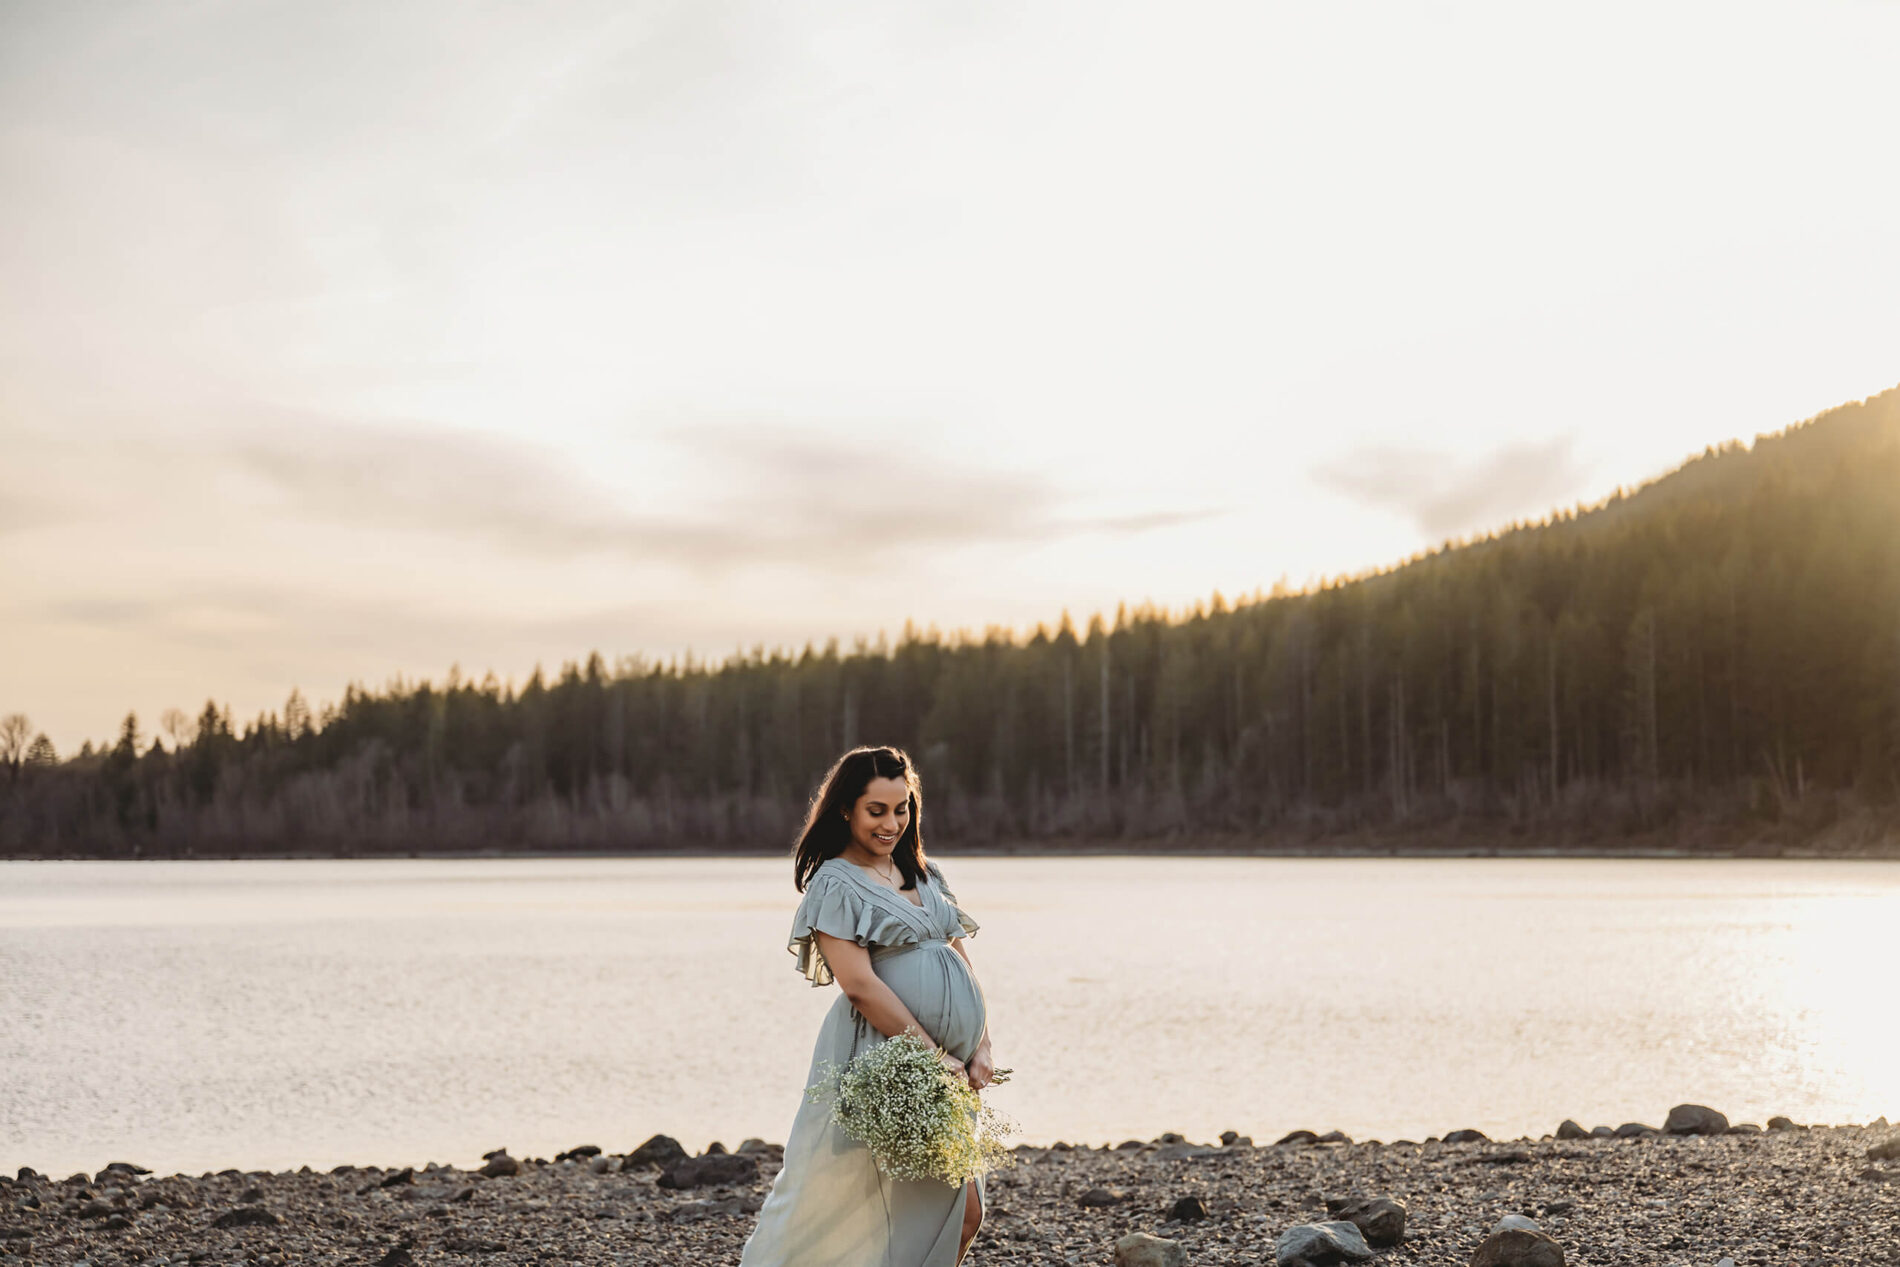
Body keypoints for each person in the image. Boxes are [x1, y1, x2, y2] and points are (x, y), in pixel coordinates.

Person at [737, 744, 996, 1267]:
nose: (892, 822)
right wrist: (932, 1056)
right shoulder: (833, 883)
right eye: (877, 810)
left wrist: (982, 1042)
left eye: (902, 808)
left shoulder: (923, 871)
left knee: (956, 1213)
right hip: (888, 1061)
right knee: (922, 1210)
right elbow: (857, 984)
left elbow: (958, 956)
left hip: (950, 1067)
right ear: (845, 809)